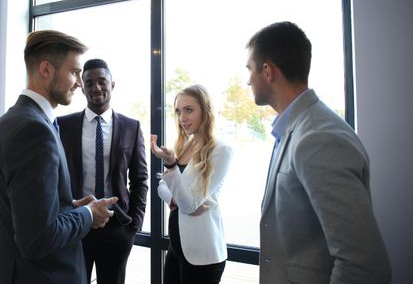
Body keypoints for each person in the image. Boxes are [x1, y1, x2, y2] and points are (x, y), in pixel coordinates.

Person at [245, 21, 392, 283]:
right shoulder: (295, 127)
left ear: (267, 71)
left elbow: (363, 265)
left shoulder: (318, 137)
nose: (248, 81)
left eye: (250, 70)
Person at [0, 30, 118, 284]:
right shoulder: (33, 130)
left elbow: (27, 212)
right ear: (46, 70)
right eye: (74, 72)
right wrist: (88, 214)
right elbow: (37, 238)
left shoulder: (10, 121)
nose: (80, 83)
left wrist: (71, 206)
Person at [57, 58, 148, 284]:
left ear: (112, 84)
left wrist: (133, 225)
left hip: (116, 226)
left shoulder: (131, 127)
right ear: (82, 88)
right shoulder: (63, 125)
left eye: (102, 81)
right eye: (89, 83)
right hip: (77, 223)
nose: (96, 87)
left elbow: (140, 178)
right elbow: (56, 176)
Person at [150, 84, 233, 284]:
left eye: (189, 110)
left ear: (205, 111)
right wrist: (175, 198)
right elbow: (162, 186)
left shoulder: (221, 150)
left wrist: (171, 165)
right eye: (178, 111)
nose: (182, 118)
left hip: (202, 254)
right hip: (177, 247)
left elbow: (189, 204)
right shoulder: (185, 144)